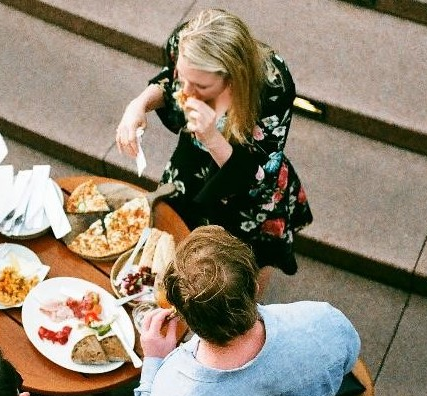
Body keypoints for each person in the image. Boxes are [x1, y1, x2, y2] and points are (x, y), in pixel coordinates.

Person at [119, 225, 361, 396]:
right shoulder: (322, 321)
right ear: (255, 286)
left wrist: (154, 364)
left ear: (184, 317)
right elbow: (348, 361)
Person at [116, 9, 313, 293]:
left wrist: (211, 137)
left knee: (243, 274)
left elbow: (256, 173)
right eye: (185, 79)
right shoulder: (185, 41)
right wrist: (139, 104)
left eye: (201, 86)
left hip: (248, 191)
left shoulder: (272, 87)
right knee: (177, 250)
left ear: (233, 80)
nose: (186, 93)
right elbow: (169, 83)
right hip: (193, 167)